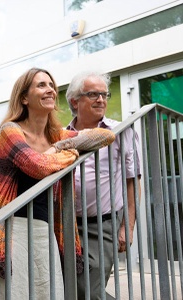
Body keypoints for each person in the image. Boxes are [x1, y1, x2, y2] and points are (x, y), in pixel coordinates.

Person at [0, 68, 115, 300]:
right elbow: (37, 166)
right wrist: (69, 154)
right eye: (41, 85)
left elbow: (106, 136)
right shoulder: (11, 130)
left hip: (45, 227)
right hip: (11, 227)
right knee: (15, 293)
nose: (50, 90)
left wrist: (58, 147)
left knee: (46, 291)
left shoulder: (56, 136)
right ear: (24, 97)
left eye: (51, 85)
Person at [65, 71, 141, 300]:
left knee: (90, 290)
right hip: (66, 225)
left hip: (102, 224)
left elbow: (132, 179)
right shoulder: (62, 135)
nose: (101, 99)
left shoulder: (119, 130)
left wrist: (127, 227)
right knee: (70, 288)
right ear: (75, 101)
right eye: (93, 94)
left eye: (104, 94)